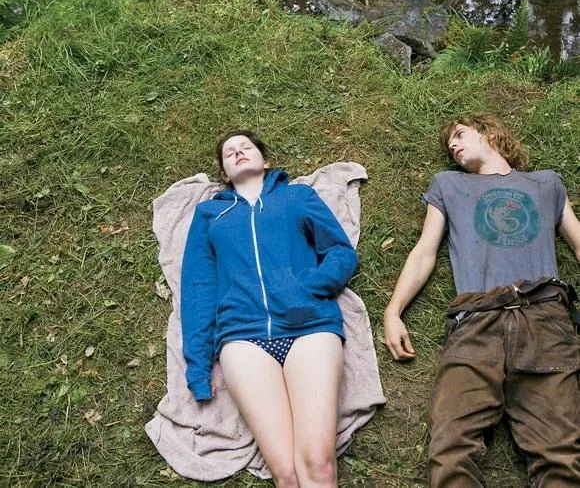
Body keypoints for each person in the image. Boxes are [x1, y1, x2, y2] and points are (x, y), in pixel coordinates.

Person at [383, 113, 580, 487]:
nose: (453, 145)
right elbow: (425, 251)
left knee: (559, 455)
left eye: (459, 135)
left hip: (543, 320)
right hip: (476, 321)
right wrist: (393, 312)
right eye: (450, 145)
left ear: (490, 133)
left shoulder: (545, 183)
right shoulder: (448, 185)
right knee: (450, 449)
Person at [180, 130, 358, 487]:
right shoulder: (210, 214)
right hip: (242, 338)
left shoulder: (297, 196)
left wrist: (307, 287)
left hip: (310, 327)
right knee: (286, 474)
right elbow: (198, 288)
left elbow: (340, 251)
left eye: (246, 147)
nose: (238, 152)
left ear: (266, 161)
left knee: (318, 465)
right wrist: (199, 367)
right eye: (230, 152)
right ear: (224, 173)